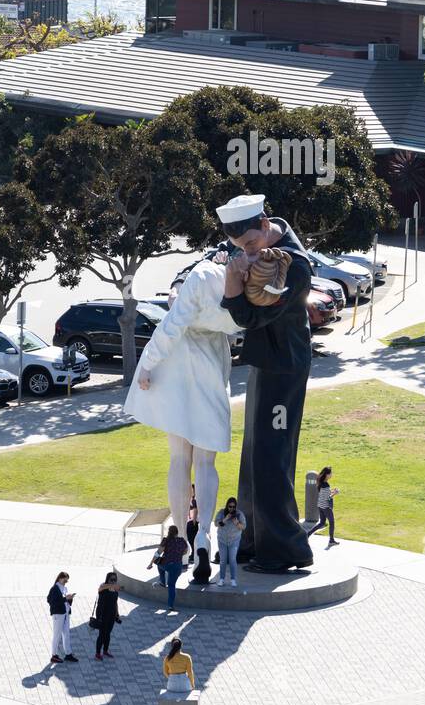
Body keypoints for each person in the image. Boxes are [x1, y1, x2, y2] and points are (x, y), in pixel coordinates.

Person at [123, 252, 243, 565]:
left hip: (178, 369)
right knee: (206, 463)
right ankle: (203, 533)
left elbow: (171, 326)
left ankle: (180, 535)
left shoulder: (201, 277)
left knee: (179, 458)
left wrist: (147, 364)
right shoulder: (238, 289)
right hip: (211, 371)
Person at [217, 193, 314, 572]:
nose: (249, 254)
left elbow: (251, 319)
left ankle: (285, 550)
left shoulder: (296, 266)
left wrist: (232, 281)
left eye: (252, 245)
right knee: (254, 457)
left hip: (284, 368)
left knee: (272, 458)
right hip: (266, 363)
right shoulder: (254, 244)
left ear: (265, 223)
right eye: (242, 248)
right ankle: (251, 541)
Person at [47, 572, 79, 664]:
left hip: (65, 614)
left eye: (67, 580)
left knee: (66, 634)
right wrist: (66, 599)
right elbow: (51, 601)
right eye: (65, 579)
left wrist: (70, 599)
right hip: (58, 615)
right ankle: (54, 655)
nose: (66, 581)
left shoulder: (64, 588)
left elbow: (64, 601)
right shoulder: (55, 589)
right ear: (60, 578)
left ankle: (68, 654)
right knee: (57, 635)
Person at [215, 497, 247, 587]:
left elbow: (243, 527)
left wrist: (237, 523)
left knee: (232, 560)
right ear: (227, 506)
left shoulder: (239, 514)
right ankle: (221, 579)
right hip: (222, 540)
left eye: (233, 507)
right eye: (230, 506)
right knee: (223, 560)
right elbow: (216, 523)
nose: (231, 509)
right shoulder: (221, 512)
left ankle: (233, 579)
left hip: (234, 540)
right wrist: (225, 519)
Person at [93, 573, 121, 661]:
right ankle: (97, 653)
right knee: (102, 634)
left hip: (112, 614)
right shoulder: (103, 587)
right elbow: (100, 588)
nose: (113, 581)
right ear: (107, 579)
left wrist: (117, 614)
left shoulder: (115, 590)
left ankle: (105, 651)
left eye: (114, 580)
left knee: (108, 633)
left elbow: (115, 603)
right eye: (111, 579)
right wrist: (111, 585)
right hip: (102, 615)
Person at [309, 467, 340, 545]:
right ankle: (331, 540)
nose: (331, 475)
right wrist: (335, 493)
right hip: (326, 507)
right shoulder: (326, 484)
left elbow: (324, 493)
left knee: (322, 523)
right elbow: (327, 497)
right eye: (330, 473)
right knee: (332, 522)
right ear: (326, 475)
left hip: (320, 505)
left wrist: (332, 490)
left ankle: (307, 534)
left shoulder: (321, 482)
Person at [186, 485, 199, 565]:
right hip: (189, 521)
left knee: (192, 540)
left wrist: (194, 521)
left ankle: (194, 555)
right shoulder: (190, 499)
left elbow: (195, 510)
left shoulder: (194, 500)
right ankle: (193, 555)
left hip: (192, 522)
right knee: (191, 539)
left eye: (192, 490)